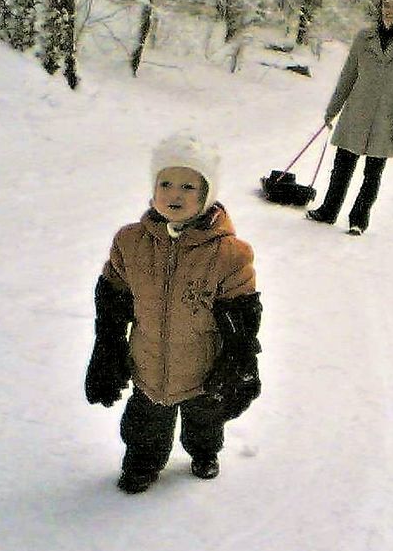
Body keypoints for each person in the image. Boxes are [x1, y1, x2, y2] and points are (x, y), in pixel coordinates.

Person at [85, 132, 262, 494]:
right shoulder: (129, 242)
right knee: (143, 425)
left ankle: (204, 452)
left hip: (204, 370)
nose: (175, 194)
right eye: (165, 183)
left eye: (188, 186)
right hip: (147, 364)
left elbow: (242, 316)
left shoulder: (230, 254)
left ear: (207, 194)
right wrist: (108, 347)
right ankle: (142, 464)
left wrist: (240, 360)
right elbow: (113, 300)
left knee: (204, 422)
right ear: (153, 188)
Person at [306, 0, 393, 236]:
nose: (389, 10)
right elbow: (348, 75)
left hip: (386, 117)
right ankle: (328, 210)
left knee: (373, 172)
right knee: (342, 165)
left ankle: (359, 219)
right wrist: (333, 109)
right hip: (356, 111)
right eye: (386, 6)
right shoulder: (364, 38)